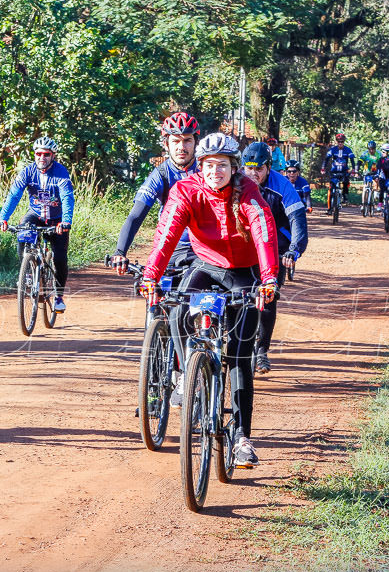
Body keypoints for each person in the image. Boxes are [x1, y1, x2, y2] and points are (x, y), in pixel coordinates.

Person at [140, 133, 278, 468]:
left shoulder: (247, 190)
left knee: (240, 356)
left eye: (222, 165)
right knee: (176, 312)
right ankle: (190, 371)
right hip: (205, 266)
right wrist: (151, 275)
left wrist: (269, 277)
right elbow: (167, 232)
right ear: (200, 168)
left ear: (234, 167)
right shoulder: (186, 189)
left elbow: (263, 230)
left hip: (244, 273)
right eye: (208, 165)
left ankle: (242, 438)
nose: (215, 171)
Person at [241, 142, 308, 374]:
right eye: (248, 169)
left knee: (268, 298)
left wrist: (294, 249)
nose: (253, 174)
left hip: (274, 248)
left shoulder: (282, 185)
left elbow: (298, 220)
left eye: (258, 169)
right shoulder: (235, 182)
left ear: (269, 167)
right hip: (242, 246)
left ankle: (261, 350)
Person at [110, 112, 201, 274]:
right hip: (174, 246)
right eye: (175, 141)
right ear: (166, 144)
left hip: (208, 245)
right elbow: (136, 216)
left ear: (196, 142)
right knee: (158, 291)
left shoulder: (209, 170)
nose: (182, 147)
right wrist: (120, 252)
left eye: (187, 140)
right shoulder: (161, 174)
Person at [0, 137, 74, 314]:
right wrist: (3, 218)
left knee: (60, 259)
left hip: (57, 218)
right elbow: (14, 196)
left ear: (53, 155)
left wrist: (66, 221)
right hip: (36, 215)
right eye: (38, 154)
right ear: (34, 155)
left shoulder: (61, 173)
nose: (42, 157)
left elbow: (67, 198)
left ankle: (59, 297)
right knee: (23, 228)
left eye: (46, 154)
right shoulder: (27, 172)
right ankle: (27, 272)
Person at [323, 133, 355, 203]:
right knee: (331, 189)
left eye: (342, 141)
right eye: (339, 141)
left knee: (346, 182)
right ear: (337, 142)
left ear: (344, 142)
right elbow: (326, 159)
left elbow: (352, 160)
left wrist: (353, 170)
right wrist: (323, 168)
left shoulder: (348, 150)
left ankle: (344, 196)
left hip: (344, 171)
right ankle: (330, 208)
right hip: (334, 171)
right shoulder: (333, 149)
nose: (340, 143)